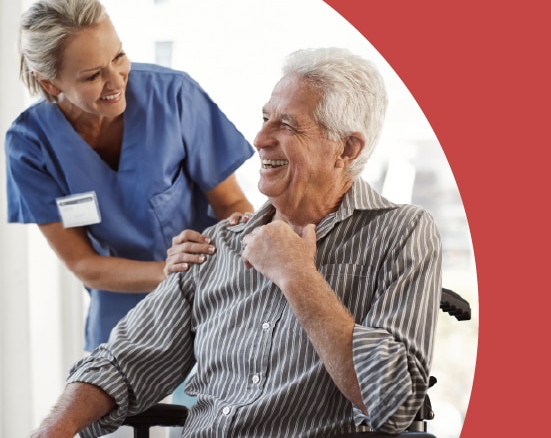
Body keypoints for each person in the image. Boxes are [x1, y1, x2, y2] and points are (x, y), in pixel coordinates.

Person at [29, 47, 443, 438]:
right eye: (265, 118)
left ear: (346, 149)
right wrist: (54, 429)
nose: (259, 139)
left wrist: (298, 276)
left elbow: (395, 402)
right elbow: (123, 363)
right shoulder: (219, 243)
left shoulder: (402, 233)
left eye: (287, 124)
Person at [5, 0, 255, 358]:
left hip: (210, 285)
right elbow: (83, 264)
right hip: (119, 304)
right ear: (51, 84)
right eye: (92, 75)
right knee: (112, 405)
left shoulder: (173, 96)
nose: (116, 81)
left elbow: (231, 203)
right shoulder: (30, 144)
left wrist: (247, 253)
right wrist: (169, 271)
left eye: (119, 56)